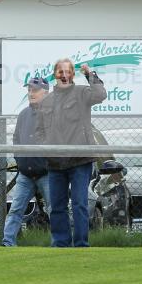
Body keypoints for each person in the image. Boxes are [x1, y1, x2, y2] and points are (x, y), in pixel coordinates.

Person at [35, 58, 107, 248]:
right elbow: (40, 131)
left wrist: (89, 74)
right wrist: (46, 146)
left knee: (79, 205)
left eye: (68, 71)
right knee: (56, 206)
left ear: (72, 74)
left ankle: (81, 244)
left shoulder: (83, 93)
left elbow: (100, 95)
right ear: (54, 74)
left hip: (80, 160)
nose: (64, 75)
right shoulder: (46, 101)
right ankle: (60, 243)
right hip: (55, 162)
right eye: (60, 72)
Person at [2, 77, 51, 247]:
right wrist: (19, 159)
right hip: (25, 174)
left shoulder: (53, 113)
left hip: (47, 174)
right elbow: (16, 139)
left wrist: (48, 162)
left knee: (55, 210)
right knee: (15, 209)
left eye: (35, 90)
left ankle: (61, 242)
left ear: (46, 92)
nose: (31, 93)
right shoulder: (23, 114)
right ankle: (8, 243)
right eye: (29, 90)